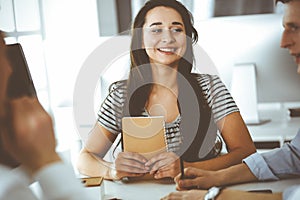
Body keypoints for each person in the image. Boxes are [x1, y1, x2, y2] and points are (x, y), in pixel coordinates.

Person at [77, 0, 256, 180]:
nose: (168, 38)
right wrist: (111, 170)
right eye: (156, 29)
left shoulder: (209, 87)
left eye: (177, 29)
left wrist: (187, 168)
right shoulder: (121, 96)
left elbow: (246, 152)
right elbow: (85, 159)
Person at [162, 0, 300, 199]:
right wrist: (216, 178)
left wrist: (215, 196)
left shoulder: (208, 87)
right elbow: (295, 156)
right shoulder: (123, 94)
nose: (283, 42)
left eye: (295, 27)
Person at [0, 33, 91, 199]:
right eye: (3, 55)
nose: (10, 68)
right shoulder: (8, 189)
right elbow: (86, 159)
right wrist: (48, 160)